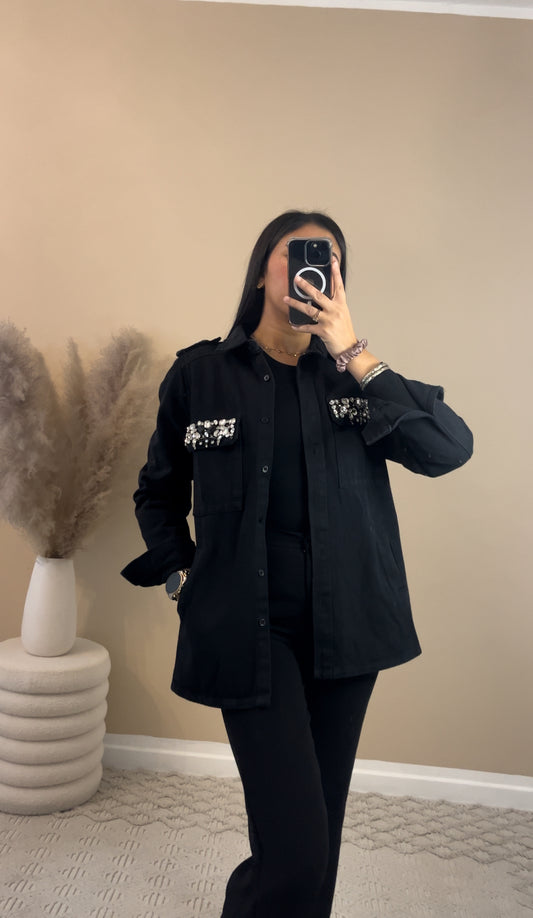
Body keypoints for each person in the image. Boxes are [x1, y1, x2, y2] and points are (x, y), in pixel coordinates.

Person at [121, 210, 473, 918]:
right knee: (296, 852)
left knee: (318, 839)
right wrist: (181, 577)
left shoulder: (356, 381)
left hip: (348, 632)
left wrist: (355, 354)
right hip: (248, 632)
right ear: (262, 271)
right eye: (299, 253)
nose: (315, 269)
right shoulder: (200, 375)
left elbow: (447, 449)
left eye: (330, 261)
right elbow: (157, 494)